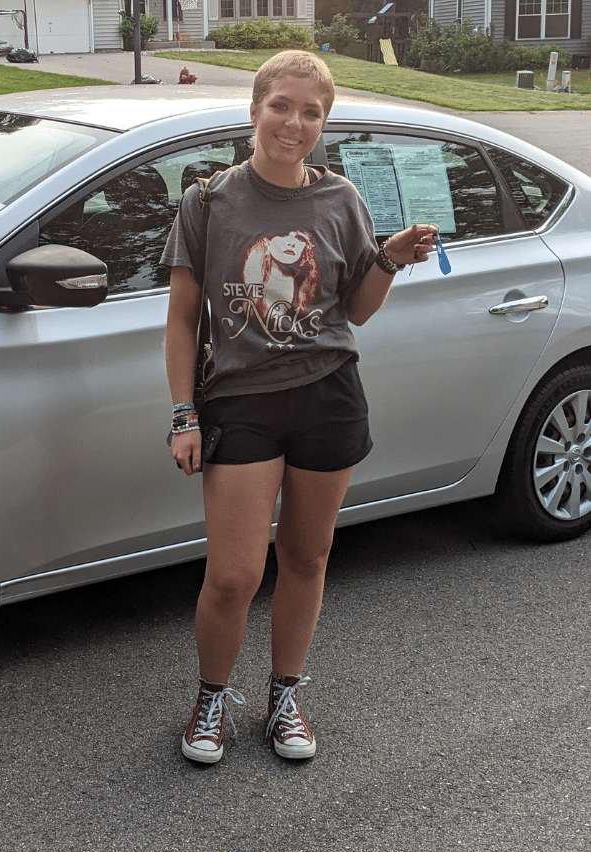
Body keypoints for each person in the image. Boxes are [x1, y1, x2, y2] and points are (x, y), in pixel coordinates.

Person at [161, 49, 438, 764]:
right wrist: (183, 413)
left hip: (329, 395)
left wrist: (389, 260)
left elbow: (355, 312)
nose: (293, 121)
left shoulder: (341, 199)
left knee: (308, 557)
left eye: (310, 111)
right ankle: (212, 699)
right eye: (280, 105)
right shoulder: (208, 202)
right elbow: (182, 321)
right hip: (242, 400)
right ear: (254, 110)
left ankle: (287, 695)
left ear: (324, 124)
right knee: (232, 576)